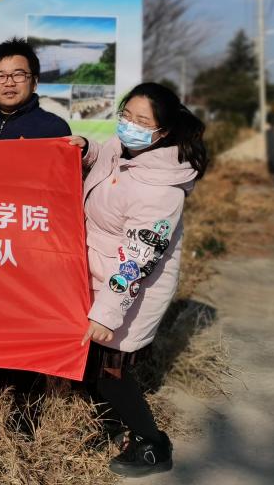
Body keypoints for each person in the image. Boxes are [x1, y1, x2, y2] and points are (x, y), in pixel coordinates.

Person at [69, 82, 207, 477]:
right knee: (92, 364)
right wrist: (87, 149)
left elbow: (137, 261)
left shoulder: (162, 192)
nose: (129, 125)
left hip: (128, 288)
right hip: (97, 271)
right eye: (126, 115)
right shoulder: (123, 149)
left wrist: (107, 314)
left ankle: (151, 443)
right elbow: (108, 162)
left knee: (110, 372)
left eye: (142, 121)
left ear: (163, 132)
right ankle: (113, 424)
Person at [0, 37, 71, 434]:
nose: (8, 83)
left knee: (28, 328)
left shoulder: (53, 128)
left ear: (34, 81)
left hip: (29, 249)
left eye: (17, 74)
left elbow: (60, 193)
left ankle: (26, 411)